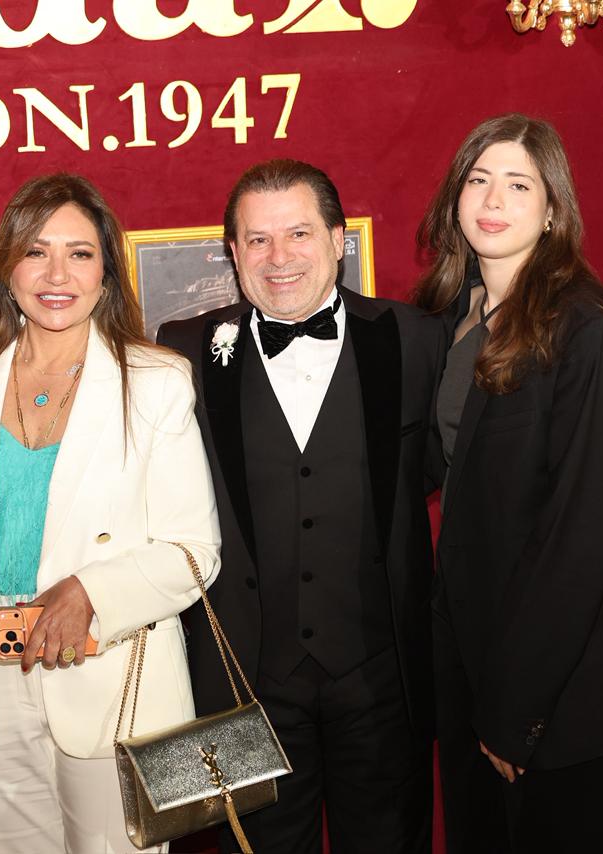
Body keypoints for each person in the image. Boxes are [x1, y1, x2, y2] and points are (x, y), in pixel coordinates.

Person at [158, 159, 445, 854]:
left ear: (338, 240)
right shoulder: (182, 350)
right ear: (233, 252)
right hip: (239, 684)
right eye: (257, 239)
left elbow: (455, 475)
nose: (278, 257)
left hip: (383, 679)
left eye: (298, 234)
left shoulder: (415, 338)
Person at [0, 173, 219, 853]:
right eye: (36, 251)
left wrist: (89, 591)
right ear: (8, 268)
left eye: (80, 253)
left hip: (115, 671)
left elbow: (193, 552)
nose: (57, 274)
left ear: (106, 273)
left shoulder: (155, 382)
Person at [414, 114, 603, 854]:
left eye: (519, 185)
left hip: (557, 687)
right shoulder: (455, 316)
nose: (494, 199)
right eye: (479, 179)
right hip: (476, 658)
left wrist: (517, 711)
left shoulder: (584, 329)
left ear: (553, 209)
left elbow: (581, 535)